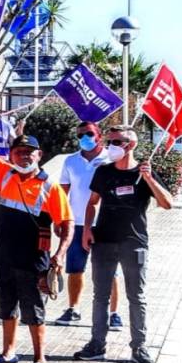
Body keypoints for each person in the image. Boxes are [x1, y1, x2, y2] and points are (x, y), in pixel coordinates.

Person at [0, 105, 73, 363]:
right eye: (18, 152)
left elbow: (67, 224)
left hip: (33, 259)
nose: (24, 156)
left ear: (39, 155)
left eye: (29, 152)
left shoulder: (49, 186)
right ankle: (8, 353)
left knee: (34, 311)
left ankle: (40, 359)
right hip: (4, 255)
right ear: (11, 154)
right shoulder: (4, 173)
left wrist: (60, 254)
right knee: (7, 308)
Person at [74, 126, 172, 363]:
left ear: (131, 145)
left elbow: (167, 203)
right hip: (103, 241)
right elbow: (92, 203)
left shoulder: (143, 173)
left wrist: (148, 178)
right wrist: (87, 229)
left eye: (116, 141)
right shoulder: (104, 172)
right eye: (109, 141)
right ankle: (97, 344)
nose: (110, 146)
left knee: (136, 297)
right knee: (100, 296)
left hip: (134, 243)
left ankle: (139, 347)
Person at [55, 122, 122, 329]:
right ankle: (73, 309)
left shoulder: (111, 159)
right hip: (76, 223)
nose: (85, 138)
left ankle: (114, 314)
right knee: (75, 269)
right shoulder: (70, 161)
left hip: (104, 223)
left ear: (99, 136)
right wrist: (60, 219)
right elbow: (63, 193)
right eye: (80, 135)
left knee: (110, 271)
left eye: (89, 134)